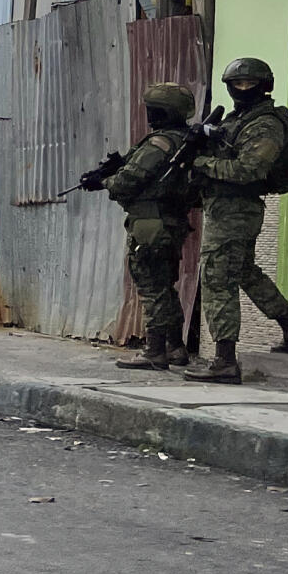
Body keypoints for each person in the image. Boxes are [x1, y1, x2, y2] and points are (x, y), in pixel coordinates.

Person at [186, 56, 288, 382]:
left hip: (236, 209)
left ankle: (225, 361)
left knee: (218, 279)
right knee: (245, 272)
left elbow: (249, 169)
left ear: (264, 86)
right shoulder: (240, 118)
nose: (243, 89)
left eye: (249, 84)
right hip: (226, 208)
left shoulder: (265, 124)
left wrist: (201, 164)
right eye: (237, 84)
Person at [108, 82, 200, 372]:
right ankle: (175, 347)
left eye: (153, 110)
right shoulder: (182, 141)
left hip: (150, 224)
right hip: (170, 224)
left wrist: (107, 181)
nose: (148, 115)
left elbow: (127, 182)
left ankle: (155, 351)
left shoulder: (160, 143)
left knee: (152, 289)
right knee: (164, 287)